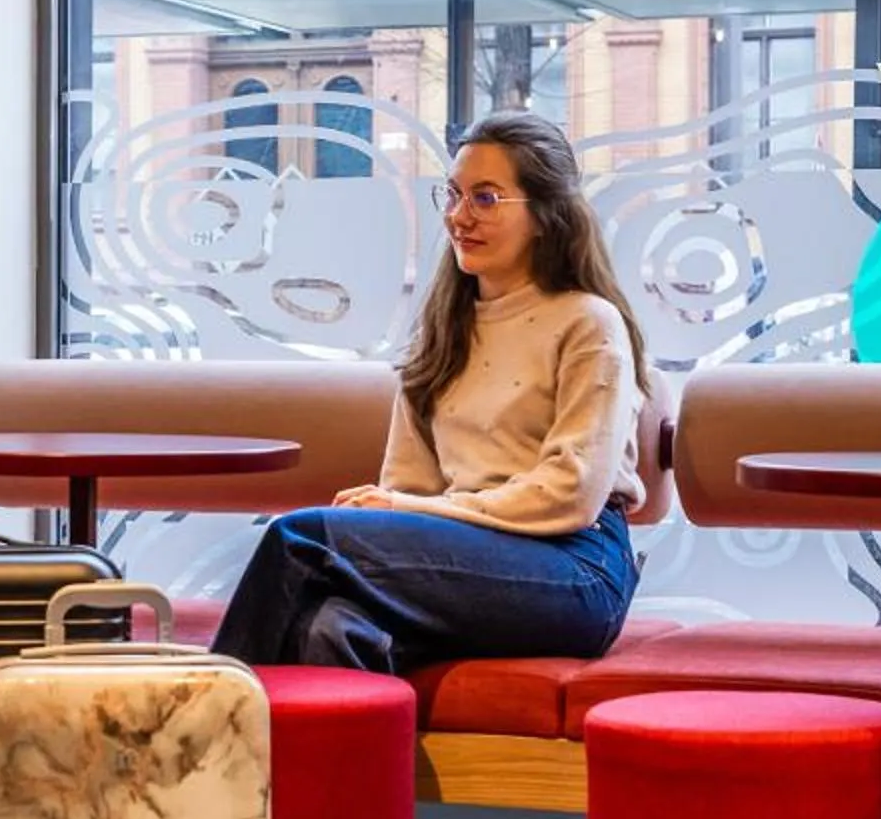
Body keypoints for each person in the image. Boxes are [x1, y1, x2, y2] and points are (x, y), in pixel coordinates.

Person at [210, 111, 650, 676]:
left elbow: (572, 494)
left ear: (544, 215)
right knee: (329, 627)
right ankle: (346, 765)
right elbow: (409, 486)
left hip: (576, 570)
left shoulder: (588, 322)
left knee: (298, 537)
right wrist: (411, 512)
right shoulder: (444, 331)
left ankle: (198, 726)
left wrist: (414, 511)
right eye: (455, 195)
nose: (458, 216)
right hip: (466, 555)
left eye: (486, 199)